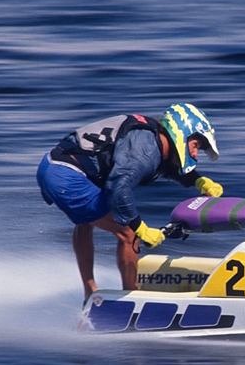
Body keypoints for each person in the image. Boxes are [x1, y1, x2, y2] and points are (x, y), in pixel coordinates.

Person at [36, 103, 223, 302]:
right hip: (67, 176)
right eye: (196, 146)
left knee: (86, 221)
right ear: (181, 133)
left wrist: (199, 181)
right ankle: (131, 298)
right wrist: (139, 228)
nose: (195, 154)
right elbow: (120, 187)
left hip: (53, 167)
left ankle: (90, 291)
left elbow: (166, 166)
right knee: (128, 233)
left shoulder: (151, 137)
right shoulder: (146, 151)